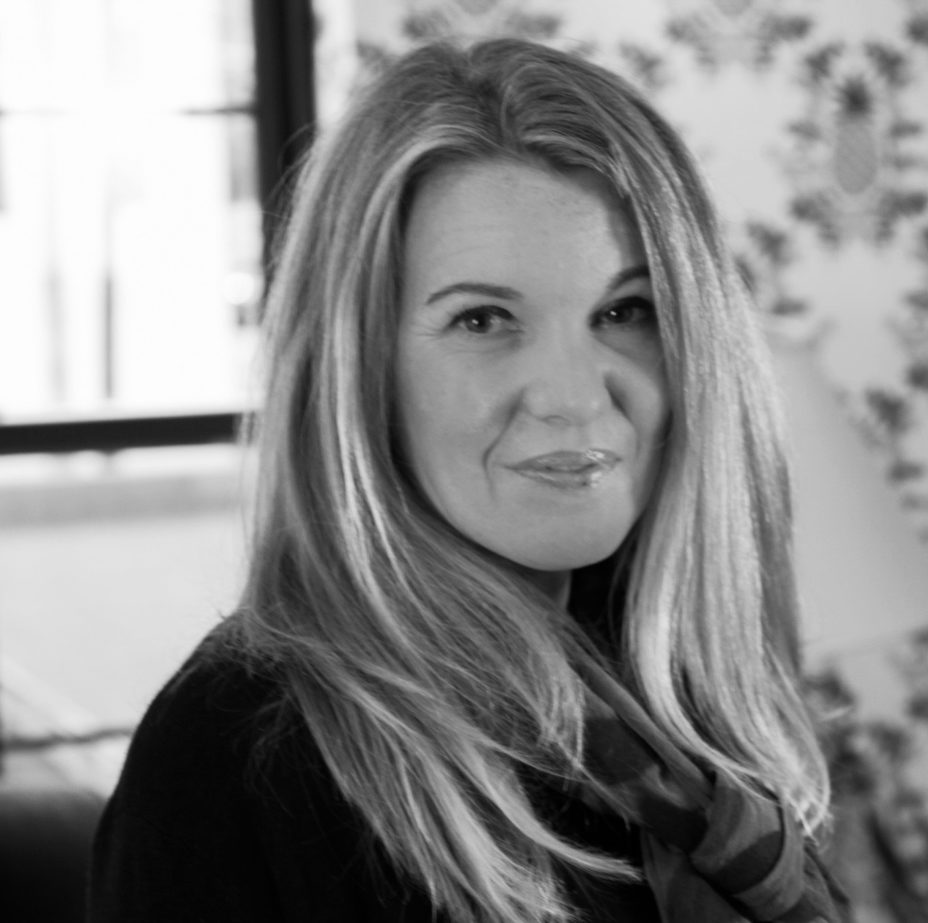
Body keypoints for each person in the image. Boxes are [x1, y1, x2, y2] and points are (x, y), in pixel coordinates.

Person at [87, 38, 849, 923]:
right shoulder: (241, 755)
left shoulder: (677, 699)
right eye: (483, 319)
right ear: (361, 365)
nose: (573, 396)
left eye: (624, 311)